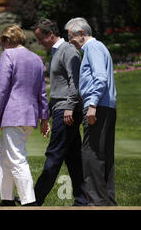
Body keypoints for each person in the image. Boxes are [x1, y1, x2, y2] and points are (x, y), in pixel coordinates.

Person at [0, 24, 49, 206]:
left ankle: (29, 202)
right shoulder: (37, 59)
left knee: (16, 158)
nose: (2, 47)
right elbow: (42, 92)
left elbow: (2, 87)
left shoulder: (8, 54)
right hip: (30, 116)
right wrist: (44, 117)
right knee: (4, 155)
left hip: (13, 114)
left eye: (2, 43)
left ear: (8, 40)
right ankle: (7, 199)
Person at [33, 19, 87, 206]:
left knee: (54, 154)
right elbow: (58, 88)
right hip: (61, 109)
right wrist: (47, 113)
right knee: (73, 158)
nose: (39, 42)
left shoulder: (68, 50)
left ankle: (34, 199)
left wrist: (70, 107)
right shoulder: (56, 53)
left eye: (41, 38)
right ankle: (82, 199)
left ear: (50, 34)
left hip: (67, 111)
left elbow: (76, 82)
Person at [65, 17, 117, 206]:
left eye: (71, 36)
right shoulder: (99, 47)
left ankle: (97, 202)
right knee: (104, 155)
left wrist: (92, 104)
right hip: (107, 107)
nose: (69, 40)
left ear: (81, 33)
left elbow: (100, 78)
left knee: (91, 155)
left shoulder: (92, 48)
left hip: (97, 106)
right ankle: (107, 201)